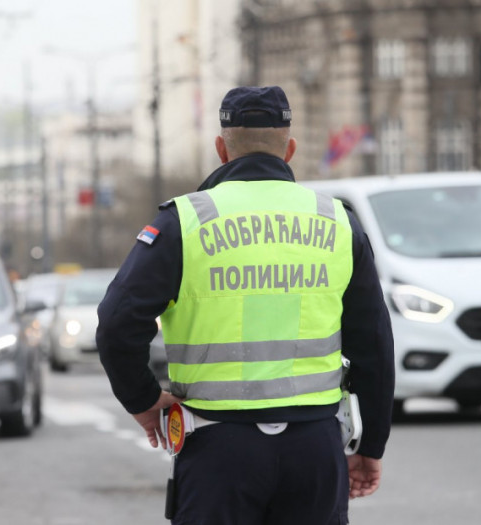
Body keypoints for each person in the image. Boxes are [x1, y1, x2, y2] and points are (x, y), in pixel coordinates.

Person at [96, 86, 394, 524]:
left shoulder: (185, 221)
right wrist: (371, 446)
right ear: (289, 149)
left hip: (217, 450)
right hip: (314, 448)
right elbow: (375, 345)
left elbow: (117, 324)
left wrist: (142, 399)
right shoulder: (336, 221)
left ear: (222, 149)